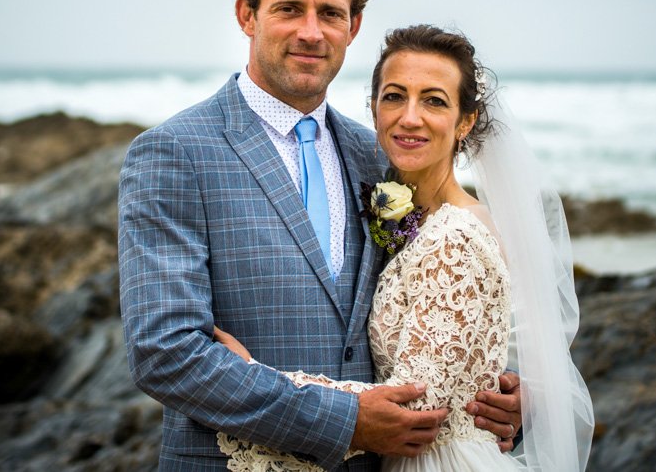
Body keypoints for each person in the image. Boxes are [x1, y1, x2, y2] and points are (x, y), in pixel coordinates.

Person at [118, 0, 521, 472]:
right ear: (246, 15)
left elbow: (441, 305)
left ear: (353, 26)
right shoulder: (174, 154)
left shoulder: (377, 156)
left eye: (330, 13)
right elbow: (165, 353)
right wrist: (344, 420)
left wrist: (495, 395)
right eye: (289, 9)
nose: (311, 32)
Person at [214, 25, 595, 471]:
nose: (410, 117)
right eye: (394, 96)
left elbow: (413, 406)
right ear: (373, 109)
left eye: (434, 101)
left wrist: (258, 381)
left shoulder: (457, 237)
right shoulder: (401, 205)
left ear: (465, 121)